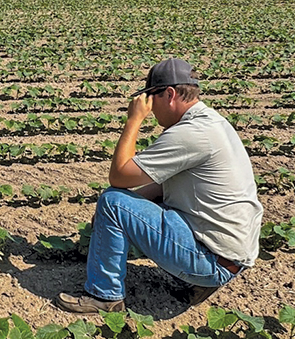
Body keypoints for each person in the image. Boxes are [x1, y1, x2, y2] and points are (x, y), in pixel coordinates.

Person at [56, 58, 263, 313]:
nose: (150, 108)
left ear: (170, 94)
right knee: (120, 206)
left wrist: (134, 121)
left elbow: (119, 175)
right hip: (228, 255)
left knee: (111, 202)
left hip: (212, 260)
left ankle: (104, 295)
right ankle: (195, 281)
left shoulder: (191, 133)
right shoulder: (211, 122)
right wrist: (124, 212)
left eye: (151, 99)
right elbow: (163, 186)